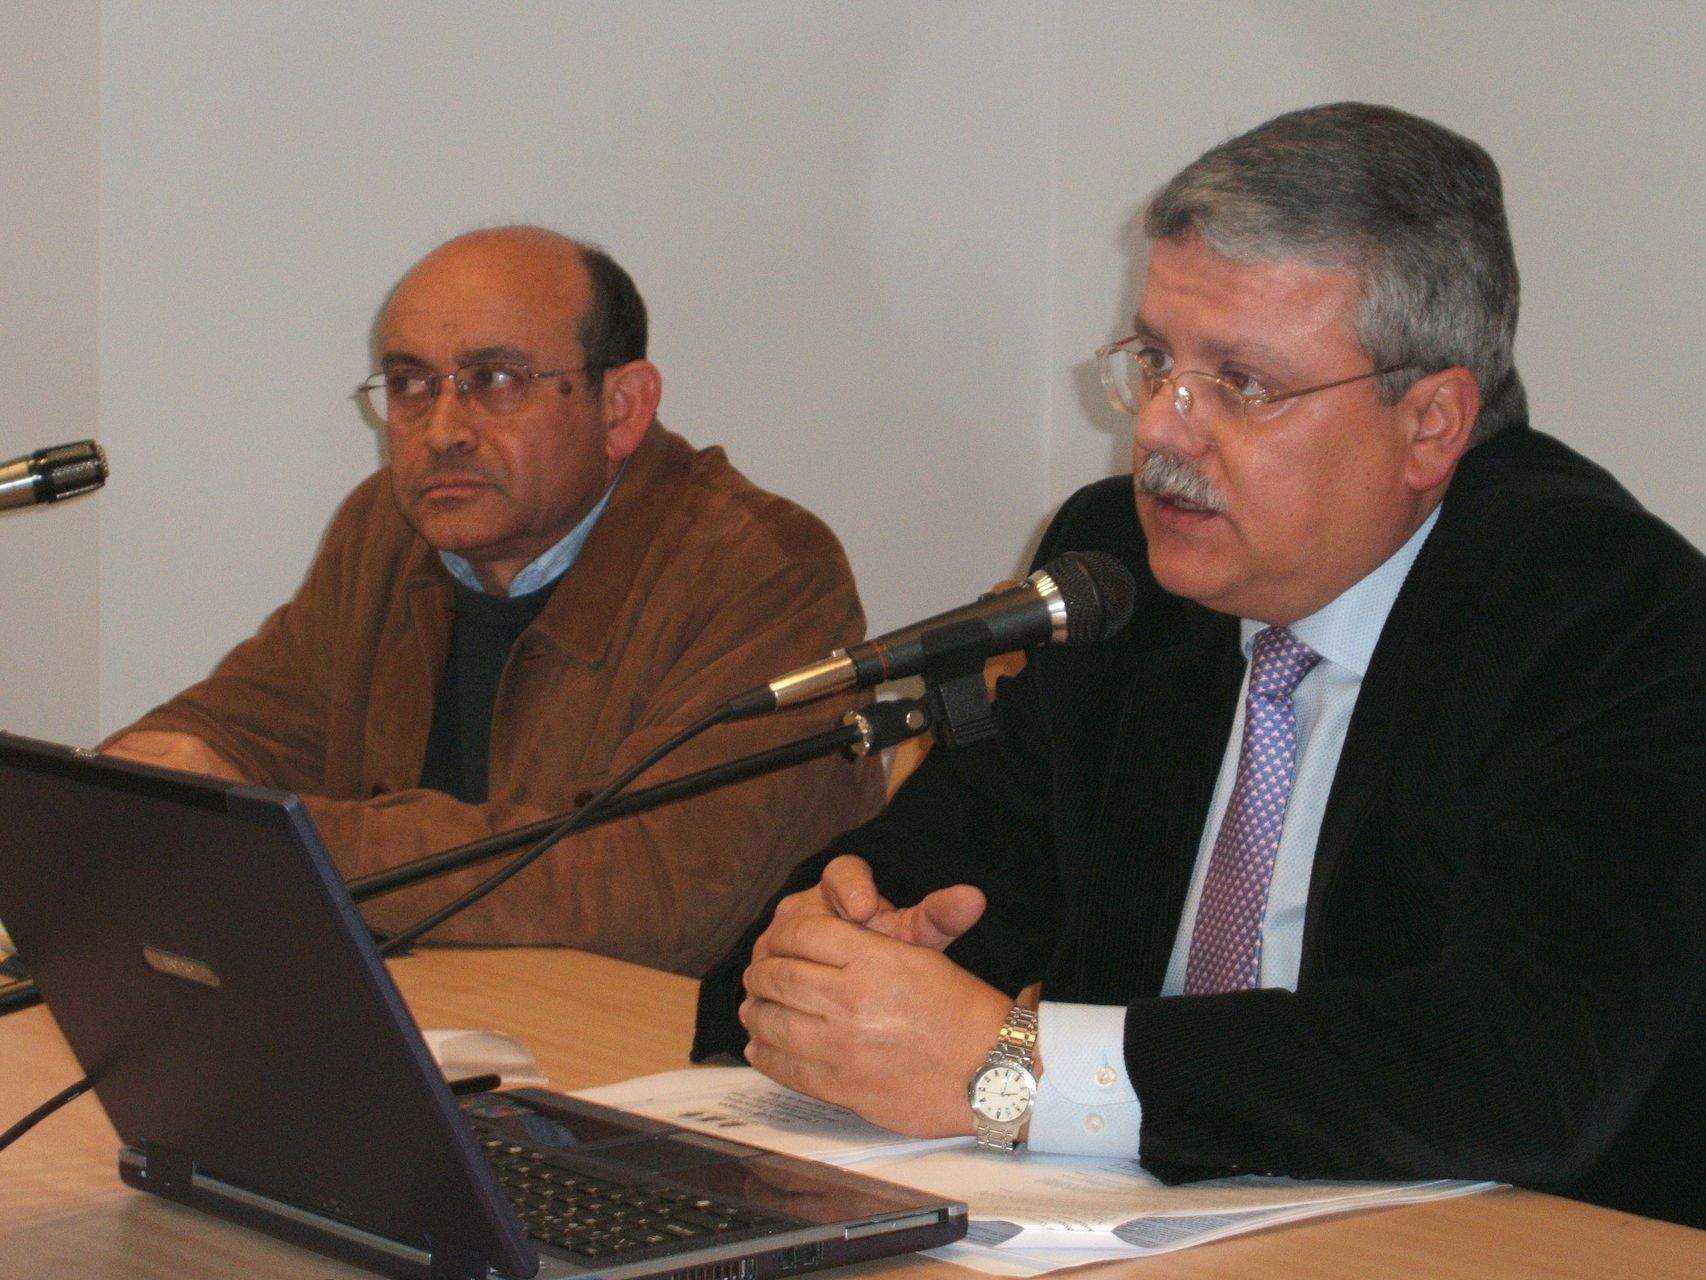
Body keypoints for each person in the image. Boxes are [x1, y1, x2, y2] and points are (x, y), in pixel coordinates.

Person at [695, 104, 1706, 1227]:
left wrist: (1016, 1066)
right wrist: (830, 955)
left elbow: (1520, 1067)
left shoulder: (1602, 609)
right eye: (1156, 363)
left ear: (1428, 423)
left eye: (1241, 384)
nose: (1163, 434)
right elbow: (958, 863)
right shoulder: (1121, 568)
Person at [104, 226, 884, 976]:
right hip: (452, 1031)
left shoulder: (766, 573)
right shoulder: (388, 530)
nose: (442, 429)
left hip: (683, 1063)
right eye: (410, 385)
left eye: (496, 380)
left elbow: (657, 895)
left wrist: (295, 836)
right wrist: (142, 790)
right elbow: (235, 733)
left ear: (621, 407)